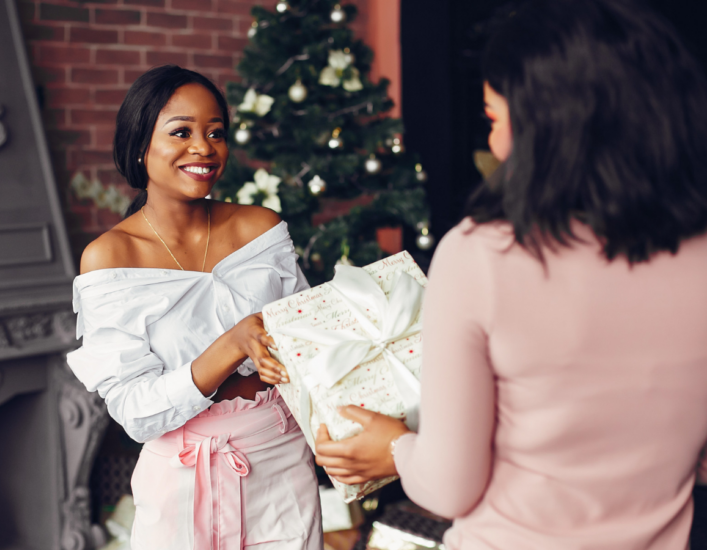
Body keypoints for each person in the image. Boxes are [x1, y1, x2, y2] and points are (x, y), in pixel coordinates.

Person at [313, 0, 707, 548]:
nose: (495, 145)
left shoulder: (482, 255)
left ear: (550, 126)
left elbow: (450, 489)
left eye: (496, 119)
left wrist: (396, 447)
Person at [67, 66, 322, 550]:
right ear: (141, 145)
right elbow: (136, 413)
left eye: (215, 133)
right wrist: (230, 345)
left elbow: (312, 346)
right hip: (181, 481)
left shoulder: (261, 230)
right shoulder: (111, 259)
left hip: (280, 464)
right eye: (181, 132)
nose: (203, 147)